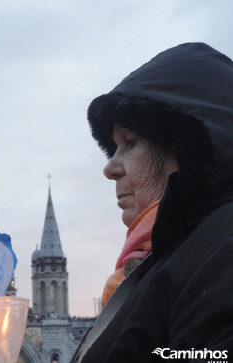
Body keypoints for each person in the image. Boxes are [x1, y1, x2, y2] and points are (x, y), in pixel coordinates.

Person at [72, 42, 233, 362]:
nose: (109, 168)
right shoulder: (158, 263)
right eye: (113, 148)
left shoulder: (221, 255)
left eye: (129, 143)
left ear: (187, 149)